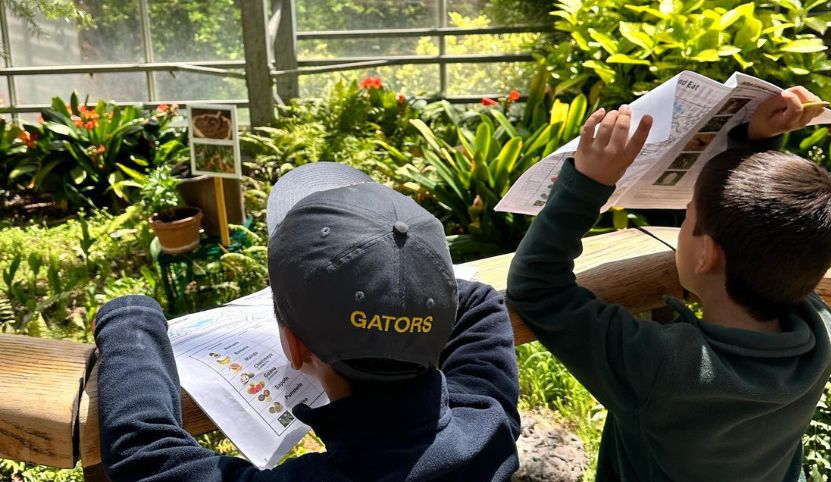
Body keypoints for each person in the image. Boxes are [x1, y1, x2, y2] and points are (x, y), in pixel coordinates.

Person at [506, 87, 831, 481]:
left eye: (688, 217)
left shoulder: (661, 368)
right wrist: (756, 141)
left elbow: (537, 285)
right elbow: (779, 236)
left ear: (705, 254)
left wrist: (587, 184)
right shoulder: (819, 332)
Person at [95, 162, 521, 481]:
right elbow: (480, 303)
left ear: (295, 347)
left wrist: (131, 318)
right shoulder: (488, 429)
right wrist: (405, 286)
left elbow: (143, 455)